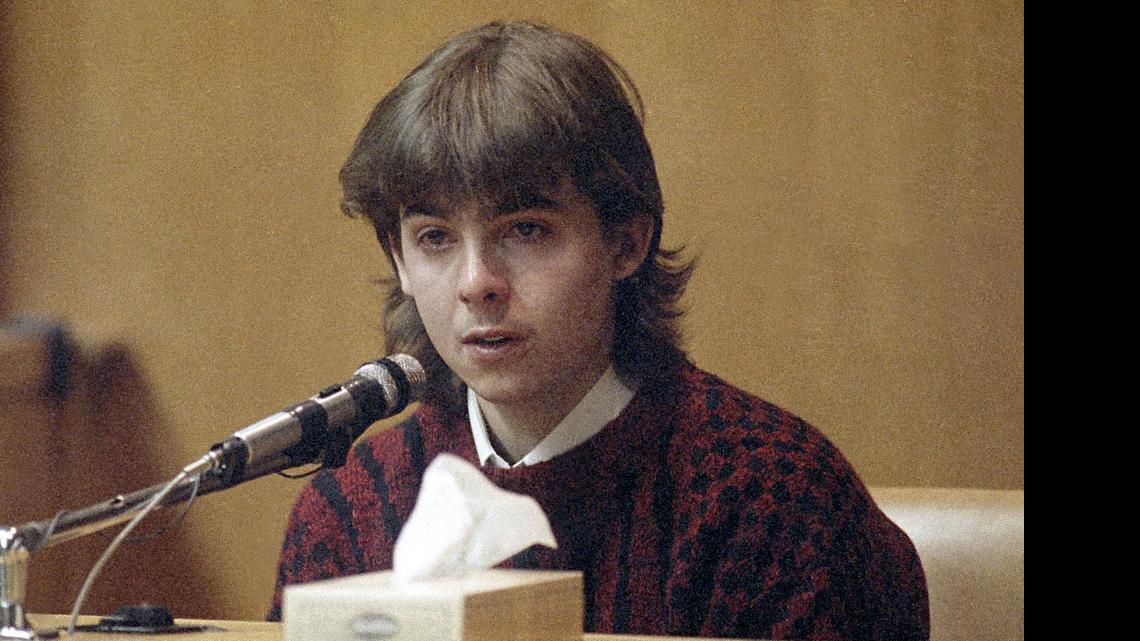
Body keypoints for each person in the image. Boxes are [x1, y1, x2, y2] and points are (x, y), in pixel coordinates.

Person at [269, 20, 928, 640]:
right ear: (399, 260)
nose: (477, 281)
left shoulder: (770, 498)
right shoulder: (349, 511)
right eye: (435, 238)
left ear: (626, 242)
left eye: (526, 229)